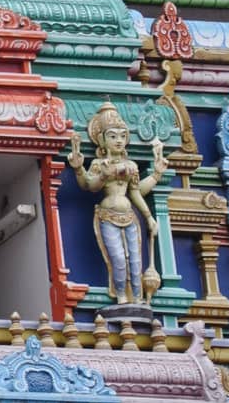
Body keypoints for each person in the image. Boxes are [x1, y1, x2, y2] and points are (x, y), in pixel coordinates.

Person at [67, 100, 166, 306]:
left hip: (130, 217)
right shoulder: (98, 164)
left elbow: (137, 192)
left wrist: (149, 216)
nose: (118, 141)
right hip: (107, 216)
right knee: (119, 260)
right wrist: (83, 170)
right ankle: (121, 295)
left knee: (136, 261)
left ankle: (137, 297)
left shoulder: (130, 165)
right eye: (112, 136)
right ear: (102, 140)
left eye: (122, 136)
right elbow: (90, 185)